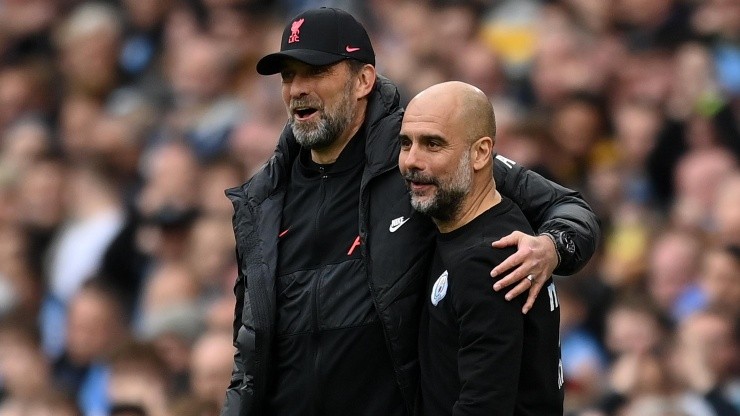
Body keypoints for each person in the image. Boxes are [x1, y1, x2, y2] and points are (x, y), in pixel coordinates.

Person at [222, 7, 599, 416]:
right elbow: (251, 349)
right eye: (289, 76)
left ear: (363, 80)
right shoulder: (263, 198)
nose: (297, 88)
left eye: (315, 72)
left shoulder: (422, 150)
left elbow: (566, 206)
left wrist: (551, 247)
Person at [400, 81, 563, 415]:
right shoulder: (485, 225)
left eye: (433, 144)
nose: (411, 161)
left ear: (480, 153)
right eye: (406, 143)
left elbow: (483, 406)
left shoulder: (489, 261)